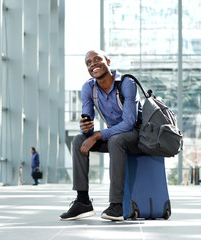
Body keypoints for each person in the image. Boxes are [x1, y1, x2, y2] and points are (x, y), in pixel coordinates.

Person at [59, 50, 143, 221]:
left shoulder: (126, 83)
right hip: (113, 136)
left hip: (136, 136)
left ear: (108, 61)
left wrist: (96, 135)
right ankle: (83, 201)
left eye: (97, 59)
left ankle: (117, 205)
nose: (92, 64)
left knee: (116, 140)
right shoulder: (89, 88)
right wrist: (86, 129)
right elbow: (88, 126)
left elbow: (129, 123)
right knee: (78, 140)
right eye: (88, 62)